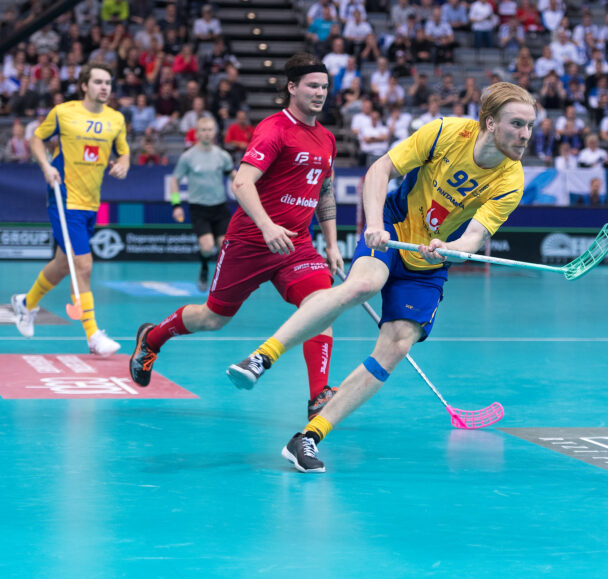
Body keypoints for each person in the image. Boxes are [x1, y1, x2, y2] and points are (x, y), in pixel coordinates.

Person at [226, 82, 536, 472]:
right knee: (363, 284)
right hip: (392, 228)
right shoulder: (445, 133)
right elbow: (381, 168)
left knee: (397, 345)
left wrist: (452, 248)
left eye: (530, 126)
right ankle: (261, 358)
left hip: (428, 264)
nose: (525, 135)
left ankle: (308, 437)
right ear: (490, 123)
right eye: (517, 124)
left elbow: (475, 236)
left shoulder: (511, 180)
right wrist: (374, 223)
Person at [128, 53, 344, 420]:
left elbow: (325, 192)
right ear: (292, 88)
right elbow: (242, 182)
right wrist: (267, 226)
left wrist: (333, 243)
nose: (320, 93)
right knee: (213, 318)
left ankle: (318, 395)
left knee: (321, 306)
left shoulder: (326, 139)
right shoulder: (274, 129)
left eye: (324, 86)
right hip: (251, 240)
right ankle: (152, 338)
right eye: (312, 86)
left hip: (297, 246)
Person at [10, 63, 129, 356]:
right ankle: (93, 336)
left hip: (91, 202)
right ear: (84, 86)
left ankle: (25, 305)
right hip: (64, 199)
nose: (105, 87)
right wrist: (46, 166)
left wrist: (123, 163)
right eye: (99, 82)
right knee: (84, 266)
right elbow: (37, 138)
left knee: (64, 265)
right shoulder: (64, 112)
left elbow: (123, 150)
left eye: (108, 82)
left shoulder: (116, 119)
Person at [169, 117, 236, 291]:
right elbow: (175, 180)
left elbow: (233, 176)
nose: (207, 133)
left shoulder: (222, 156)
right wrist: (176, 205)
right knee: (207, 247)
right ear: (197, 134)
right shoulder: (188, 157)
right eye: (203, 130)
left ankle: (222, 282)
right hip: (199, 209)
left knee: (224, 247)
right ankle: (205, 268)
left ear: (214, 133)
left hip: (220, 207)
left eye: (210, 130)